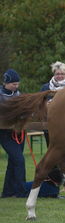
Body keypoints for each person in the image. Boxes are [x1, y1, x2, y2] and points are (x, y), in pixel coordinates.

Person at [40, 61, 65, 190]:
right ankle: (53, 180)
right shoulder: (45, 87)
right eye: (58, 74)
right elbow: (39, 104)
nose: (60, 76)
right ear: (53, 74)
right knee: (52, 153)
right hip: (49, 125)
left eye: (62, 74)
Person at [0, 69, 27, 198]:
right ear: (6, 83)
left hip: (19, 132)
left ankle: (7, 192)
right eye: (13, 84)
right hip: (4, 133)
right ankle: (21, 191)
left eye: (17, 84)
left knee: (13, 161)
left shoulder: (19, 94)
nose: (16, 86)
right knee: (19, 160)